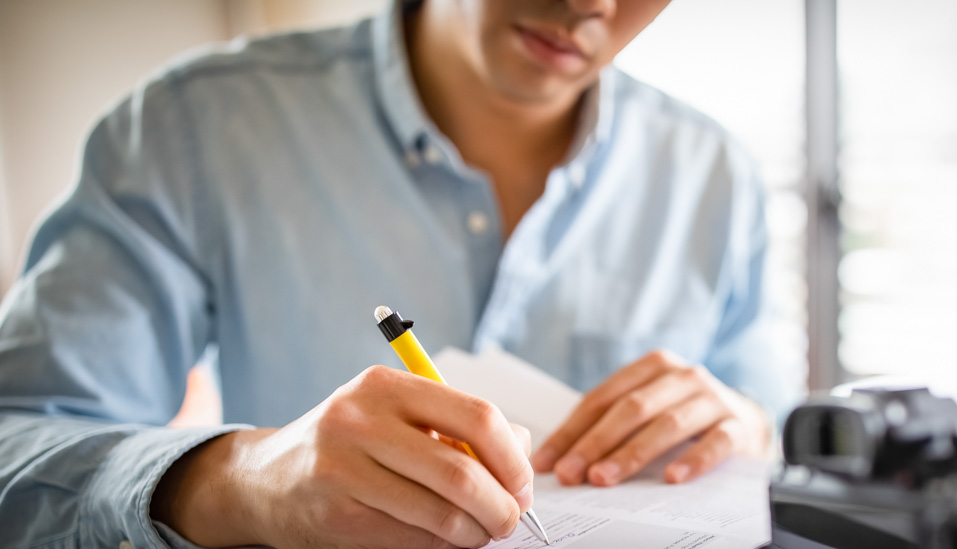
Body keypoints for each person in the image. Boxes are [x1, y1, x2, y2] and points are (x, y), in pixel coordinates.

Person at [0, 0, 803, 547]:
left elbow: (773, 430)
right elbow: (16, 444)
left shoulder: (714, 173)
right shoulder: (194, 128)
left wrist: (748, 426)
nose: (589, 3)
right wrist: (239, 480)